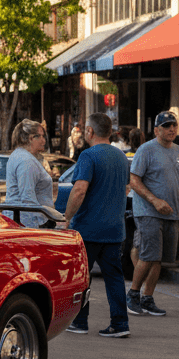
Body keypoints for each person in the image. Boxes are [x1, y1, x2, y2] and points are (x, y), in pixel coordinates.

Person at [60, 113, 131, 338]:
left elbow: (79, 189)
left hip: (89, 228)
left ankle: (80, 321)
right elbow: (126, 188)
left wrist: (67, 217)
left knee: (82, 277)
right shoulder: (121, 157)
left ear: (90, 132)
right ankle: (120, 323)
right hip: (114, 229)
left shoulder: (88, 156)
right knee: (114, 277)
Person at [127, 111, 179, 317]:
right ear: (157, 130)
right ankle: (132, 295)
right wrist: (155, 201)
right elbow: (134, 181)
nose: (172, 129)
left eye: (174, 125)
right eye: (167, 126)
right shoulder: (146, 150)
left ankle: (147, 298)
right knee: (148, 255)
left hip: (172, 212)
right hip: (148, 211)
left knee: (159, 259)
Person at [5, 119, 53, 227]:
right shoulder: (26, 161)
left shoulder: (21, 156)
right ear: (31, 138)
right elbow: (28, 197)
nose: (44, 140)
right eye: (40, 136)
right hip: (28, 223)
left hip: (22, 220)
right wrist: (40, 223)